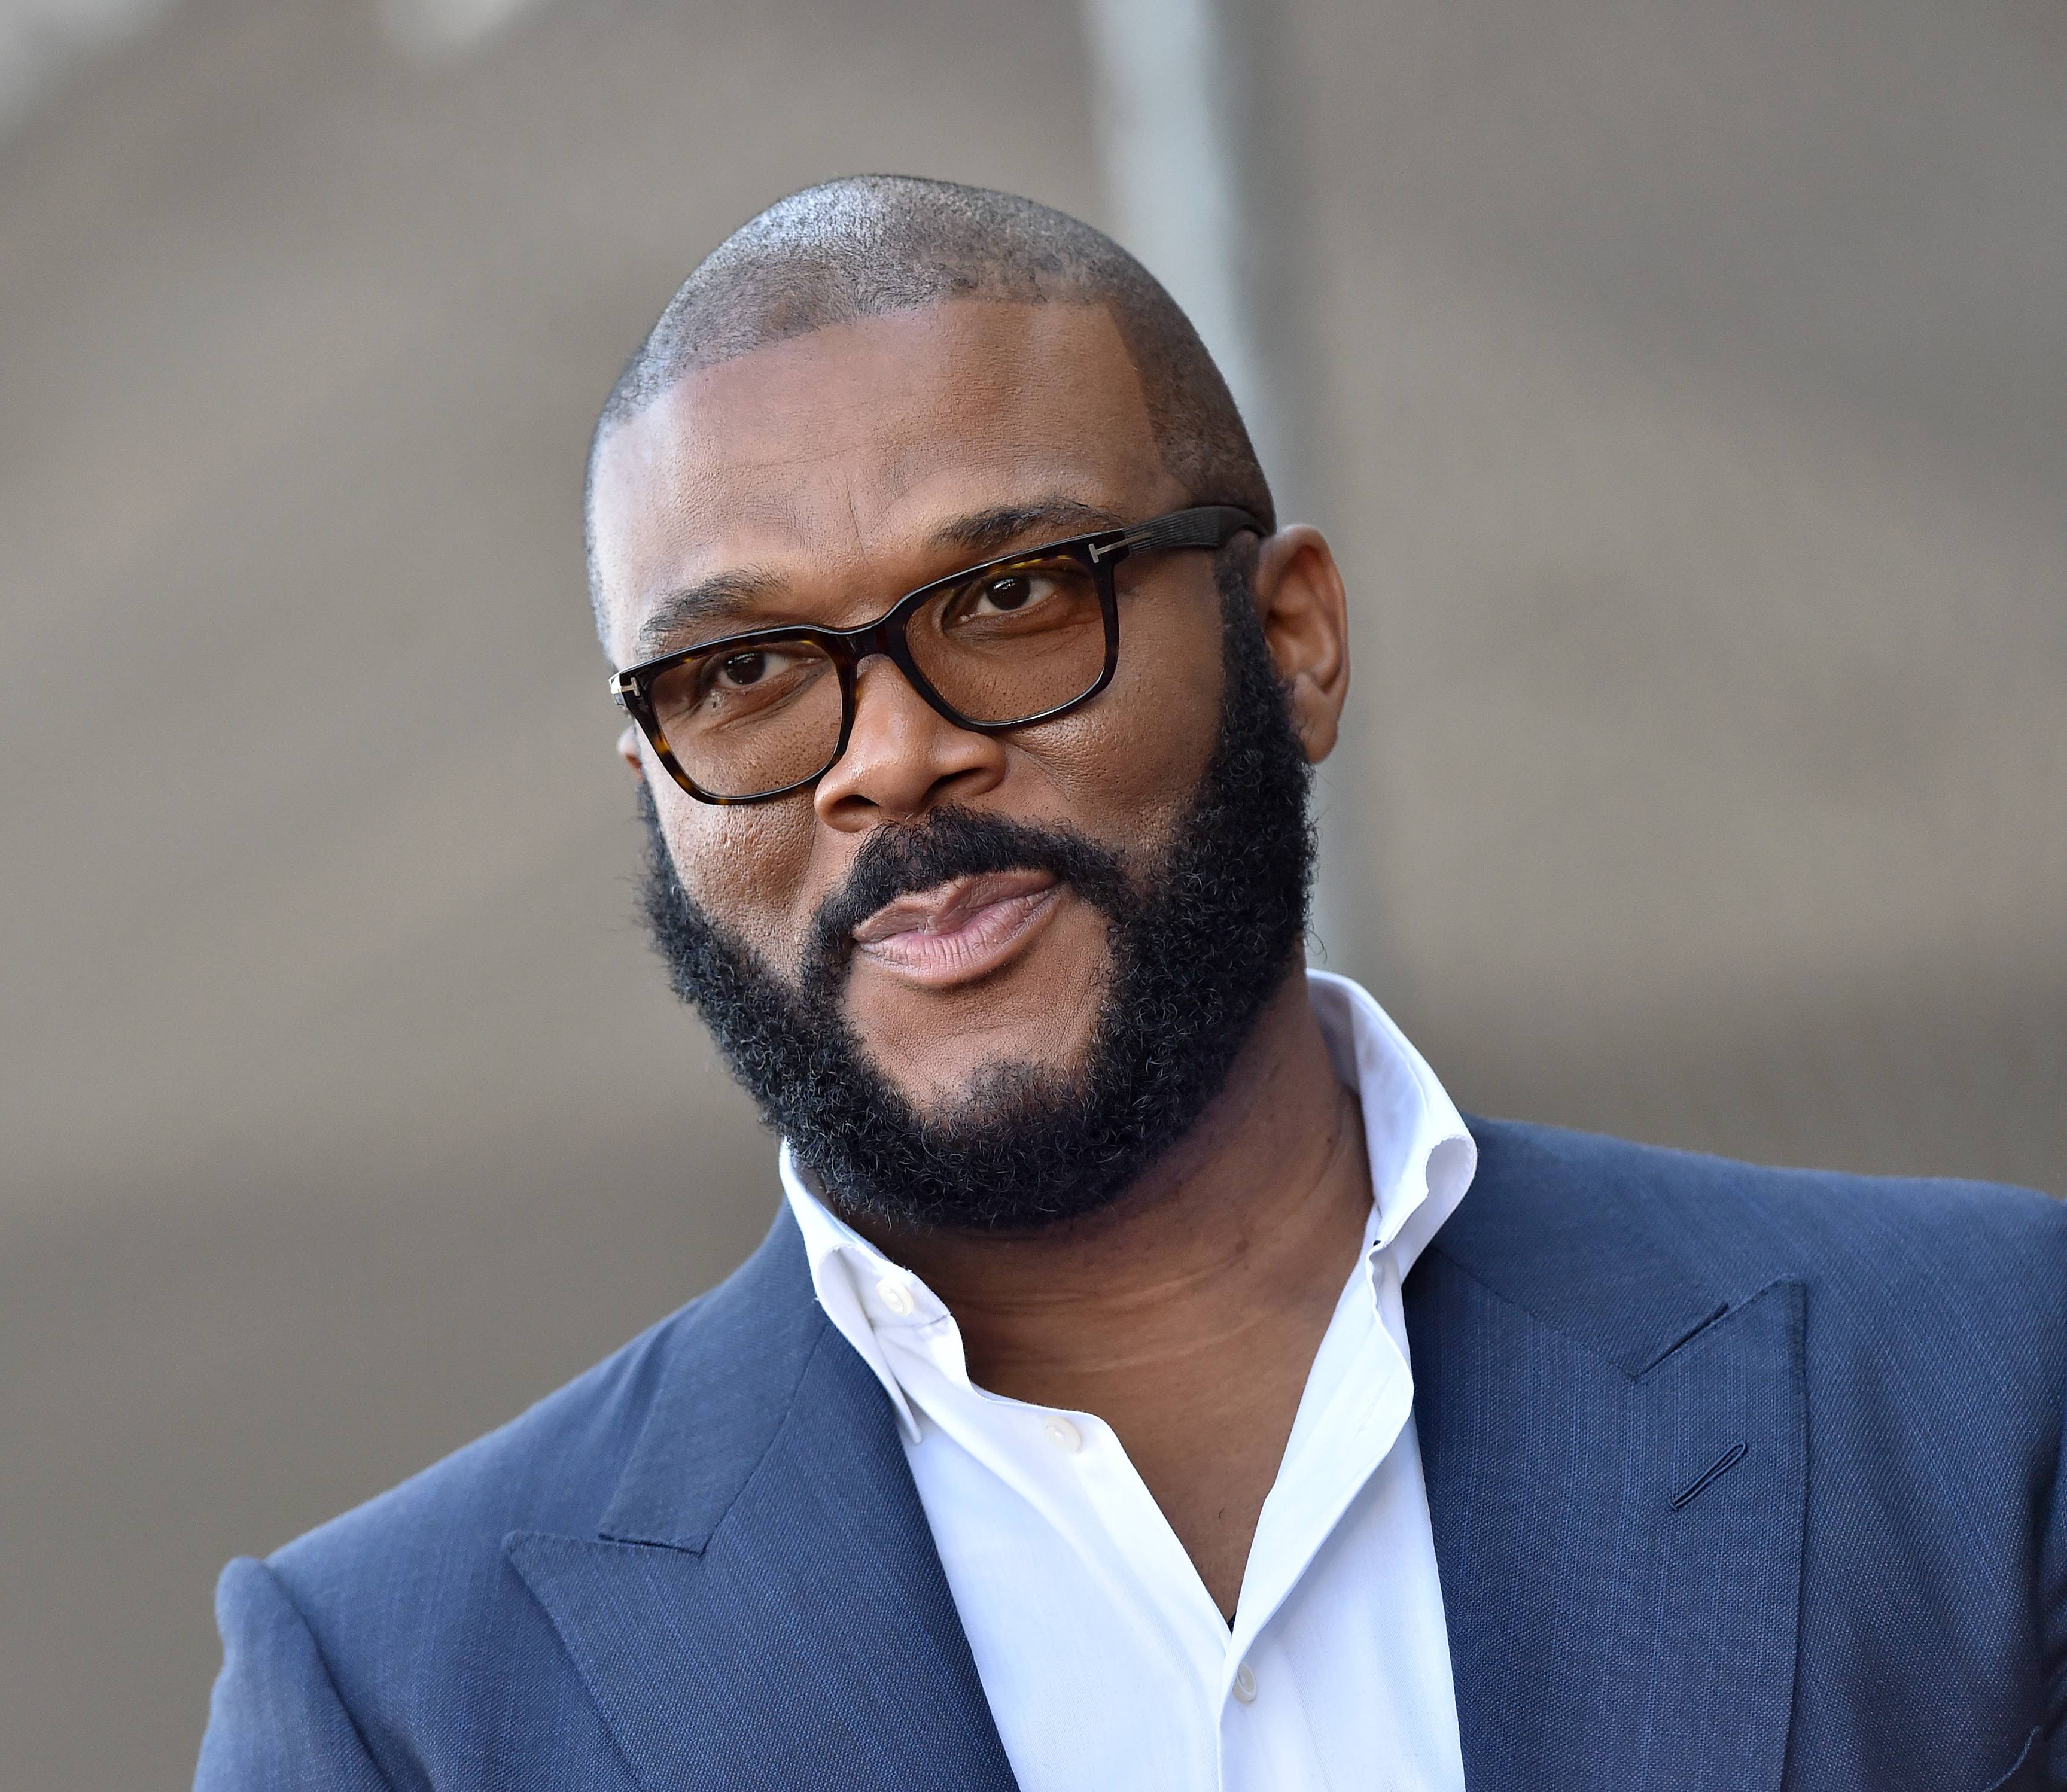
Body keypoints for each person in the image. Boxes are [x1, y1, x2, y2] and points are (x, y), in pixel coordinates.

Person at [194, 177, 2065, 1791]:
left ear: (1291, 640)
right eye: (740, 673)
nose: (889, 757)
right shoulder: (402, 1700)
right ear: (655, 791)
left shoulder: (1984, 1384)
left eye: (1011, 596)